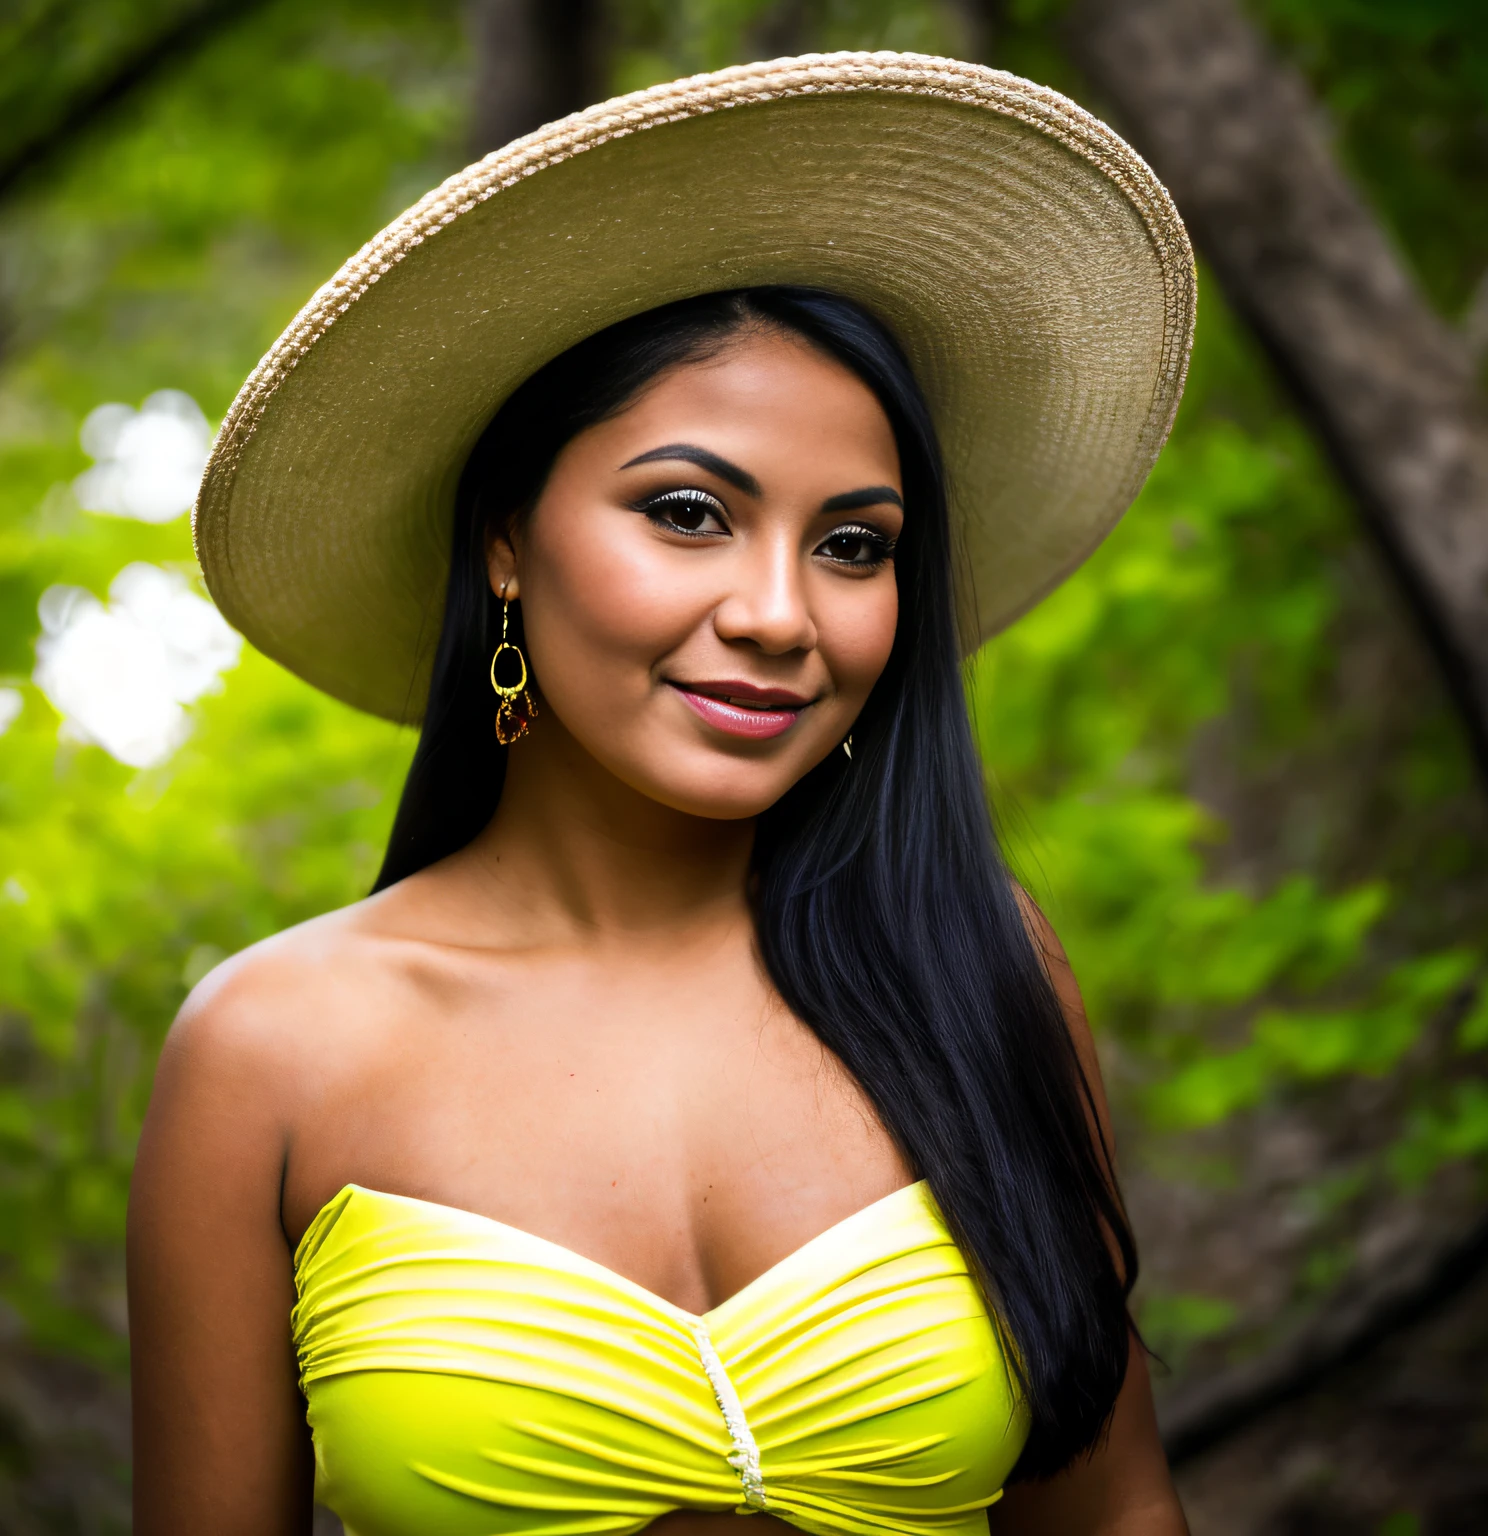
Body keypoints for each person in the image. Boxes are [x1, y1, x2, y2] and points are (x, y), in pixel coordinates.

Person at [129, 54, 1195, 1536]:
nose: (779, 613)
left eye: (854, 545)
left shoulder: (978, 964)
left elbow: (1119, 1514)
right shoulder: (272, 1052)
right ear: (507, 537)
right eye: (688, 513)